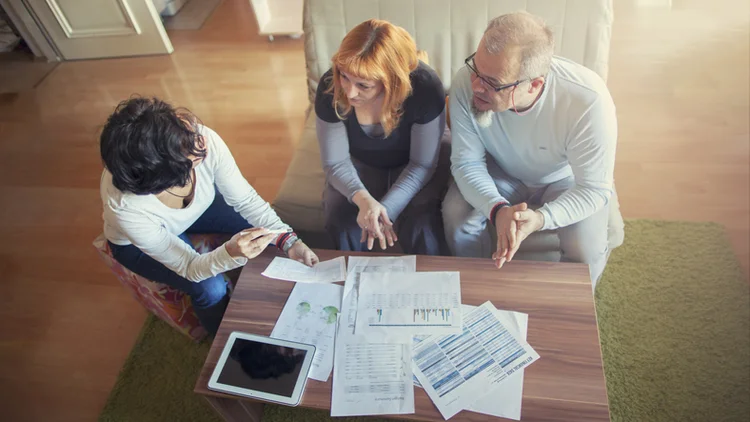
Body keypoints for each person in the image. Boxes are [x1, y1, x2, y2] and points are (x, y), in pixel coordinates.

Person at [100, 97, 319, 336]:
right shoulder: (126, 208)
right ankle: (220, 338)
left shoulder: (197, 137)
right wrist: (230, 254)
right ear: (166, 177)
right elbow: (189, 266)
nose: (200, 141)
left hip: (200, 208)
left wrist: (289, 241)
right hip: (132, 245)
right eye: (187, 151)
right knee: (210, 288)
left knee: (268, 232)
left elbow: (246, 200)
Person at [443, 12, 618, 287]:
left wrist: (540, 219)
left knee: (585, 245)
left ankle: (570, 307)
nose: (476, 86)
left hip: (566, 177)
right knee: (457, 215)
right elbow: (467, 163)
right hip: (502, 170)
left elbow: (593, 188)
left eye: (493, 82)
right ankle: (477, 288)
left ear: (534, 84)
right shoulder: (466, 82)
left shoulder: (588, 100)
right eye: (475, 68)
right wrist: (497, 209)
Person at [315, 19, 450, 255]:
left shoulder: (426, 88)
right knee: (343, 219)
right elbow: (335, 162)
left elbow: (422, 164)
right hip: (359, 160)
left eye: (363, 85)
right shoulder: (330, 86)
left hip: (415, 161)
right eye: (344, 76)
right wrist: (364, 202)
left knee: (422, 222)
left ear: (392, 83)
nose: (349, 91)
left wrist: (384, 211)